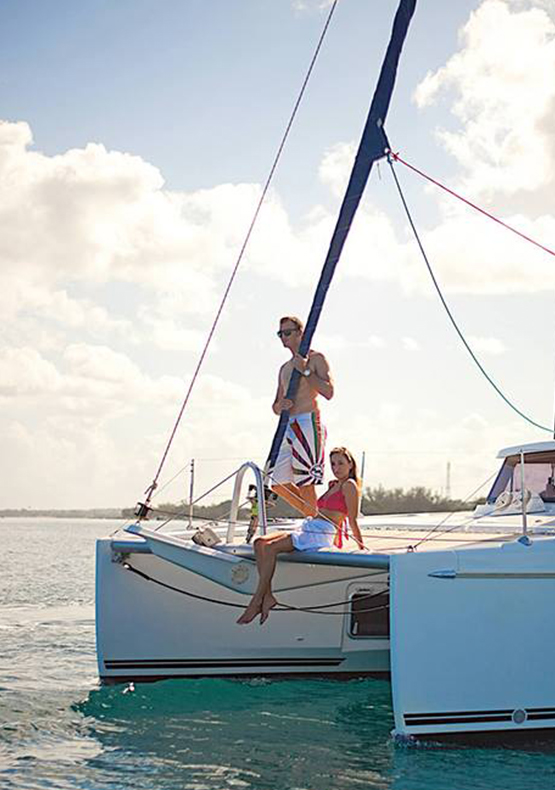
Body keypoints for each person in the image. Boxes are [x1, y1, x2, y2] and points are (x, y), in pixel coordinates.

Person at [237, 447, 364, 625]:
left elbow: (352, 519)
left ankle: (257, 599)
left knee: (271, 548)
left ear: (350, 464)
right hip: (309, 526)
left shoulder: (350, 486)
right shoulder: (334, 485)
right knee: (259, 542)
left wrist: (361, 546)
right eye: (333, 464)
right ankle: (268, 596)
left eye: (341, 463)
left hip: (320, 532)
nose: (336, 468)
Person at [271, 315, 334, 517]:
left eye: (287, 333)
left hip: (308, 421)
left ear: (300, 333)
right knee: (278, 483)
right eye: (280, 334)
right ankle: (317, 518)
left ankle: (315, 525)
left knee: (306, 482)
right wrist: (281, 405)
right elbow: (275, 405)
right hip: (288, 425)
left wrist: (306, 371)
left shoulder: (316, 359)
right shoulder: (284, 368)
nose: (283, 338)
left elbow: (329, 392)